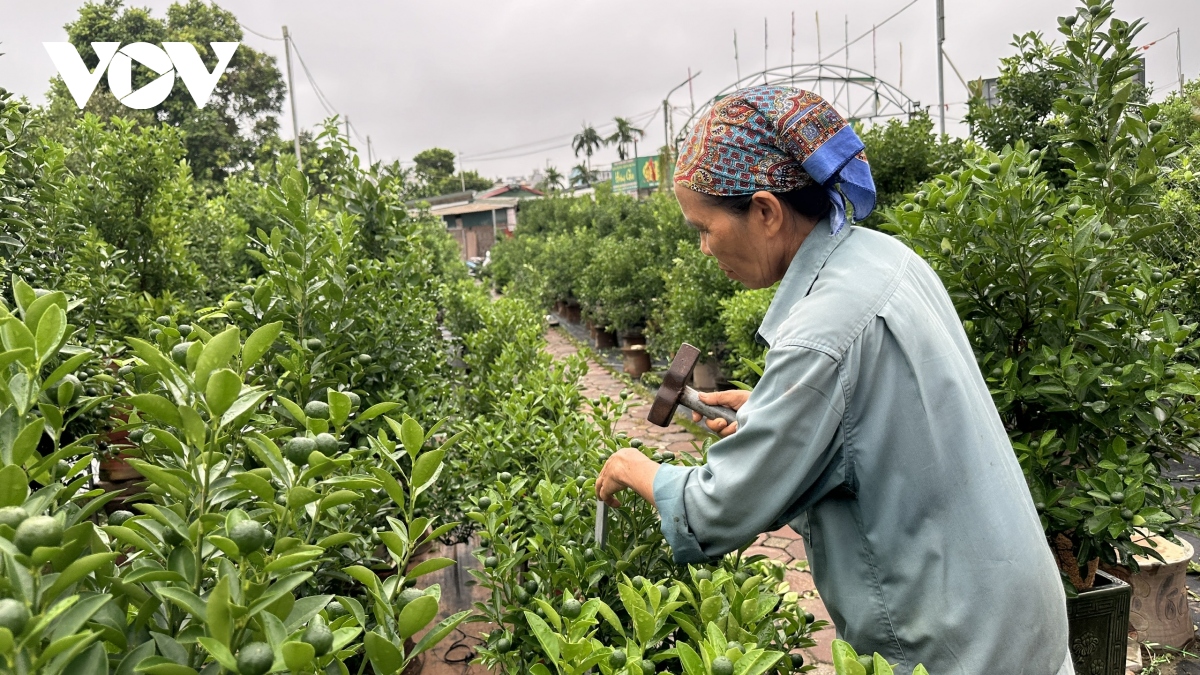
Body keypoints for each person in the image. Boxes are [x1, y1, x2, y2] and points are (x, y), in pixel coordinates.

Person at [594, 85, 1072, 675]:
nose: (702, 248)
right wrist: (770, 415)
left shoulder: (820, 333)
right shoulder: (885, 258)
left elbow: (720, 509)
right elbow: (880, 429)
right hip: (1014, 614)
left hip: (951, 646)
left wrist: (634, 468)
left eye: (705, 226)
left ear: (766, 212)